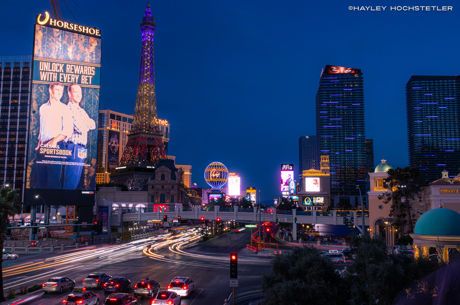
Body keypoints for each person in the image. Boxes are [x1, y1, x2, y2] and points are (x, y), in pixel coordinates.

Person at [32, 82, 73, 189]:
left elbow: (68, 130)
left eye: (61, 91)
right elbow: (42, 128)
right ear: (50, 90)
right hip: (43, 147)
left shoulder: (65, 108)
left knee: (53, 180)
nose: (60, 93)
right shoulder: (43, 108)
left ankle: (55, 205)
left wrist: (54, 141)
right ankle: (40, 204)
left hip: (57, 147)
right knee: (40, 180)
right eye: (57, 90)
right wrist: (39, 143)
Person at [63, 84, 96, 189]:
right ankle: (64, 203)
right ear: (69, 93)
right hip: (73, 147)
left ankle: (70, 203)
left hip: (81, 148)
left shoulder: (81, 110)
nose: (78, 95)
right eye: (75, 92)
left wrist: (85, 124)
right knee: (71, 179)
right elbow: (81, 128)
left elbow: (93, 124)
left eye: (80, 92)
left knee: (78, 180)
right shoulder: (69, 108)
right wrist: (86, 124)